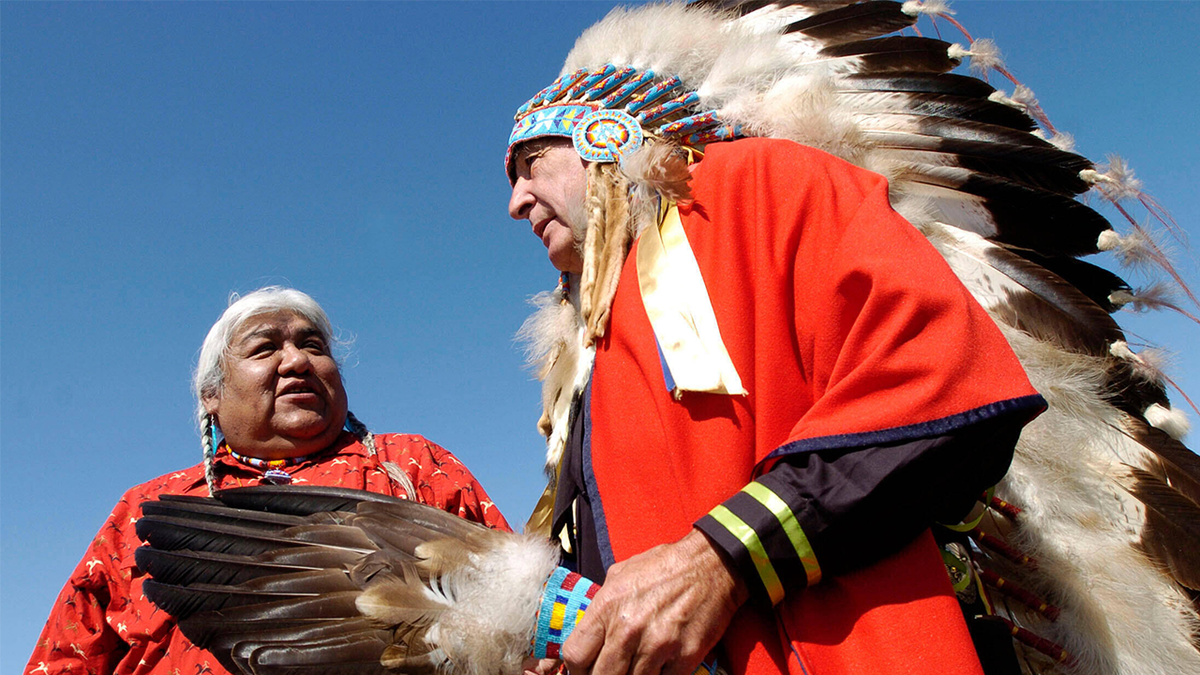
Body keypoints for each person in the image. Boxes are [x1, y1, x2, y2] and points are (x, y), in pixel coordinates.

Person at [504, 4, 1058, 675]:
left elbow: (940, 377)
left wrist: (724, 556)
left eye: (532, 163)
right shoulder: (586, 355)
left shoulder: (755, 184)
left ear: (603, 132)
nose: (517, 202)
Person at [25, 286, 509, 675]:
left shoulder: (413, 465)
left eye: (312, 346)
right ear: (211, 396)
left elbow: (521, 604)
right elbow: (67, 655)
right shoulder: (148, 507)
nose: (297, 361)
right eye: (265, 348)